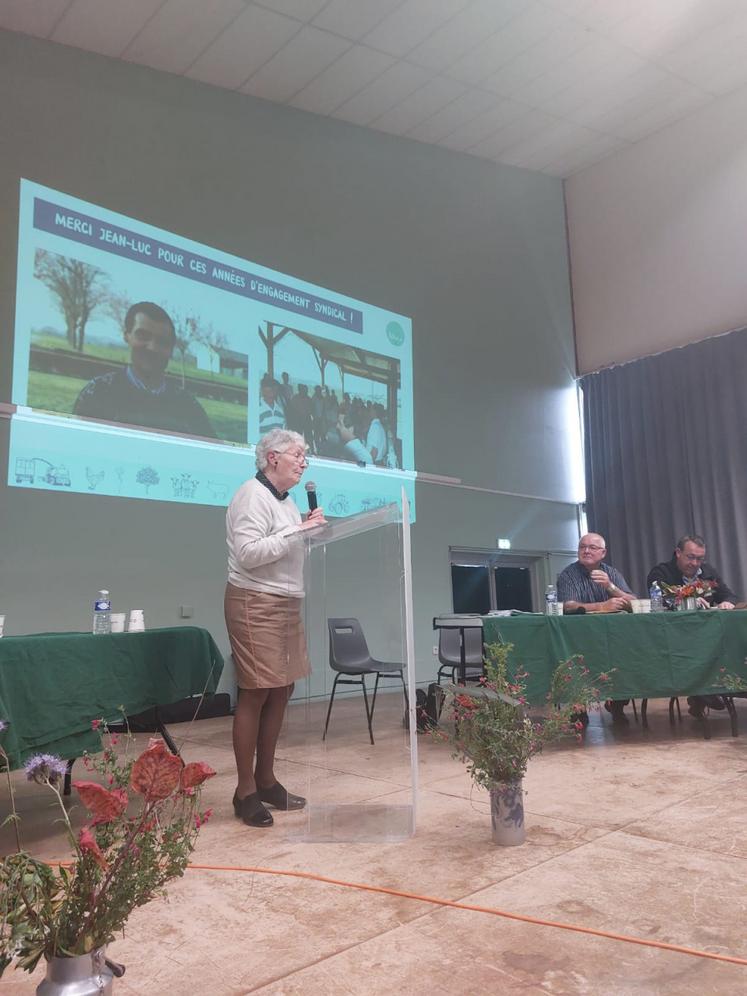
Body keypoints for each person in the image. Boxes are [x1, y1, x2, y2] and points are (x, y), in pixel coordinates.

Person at [224, 428, 326, 827]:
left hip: (285, 601)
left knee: (283, 687)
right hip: (254, 600)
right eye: (298, 455)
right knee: (256, 690)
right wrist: (298, 531)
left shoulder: (286, 502)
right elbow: (249, 554)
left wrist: (304, 527)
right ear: (273, 458)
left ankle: (266, 779)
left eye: (305, 456)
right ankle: (245, 790)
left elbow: (282, 541)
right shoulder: (251, 494)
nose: (303, 462)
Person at [73, 302, 216, 438]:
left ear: (171, 349)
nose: (152, 348)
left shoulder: (187, 406)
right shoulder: (98, 393)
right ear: (127, 336)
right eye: (143, 336)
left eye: (162, 341)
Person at [647, 534, 740, 718]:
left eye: (699, 558)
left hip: (707, 637)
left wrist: (727, 603)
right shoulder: (660, 572)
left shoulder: (708, 572)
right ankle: (704, 691)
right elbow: (659, 599)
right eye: (691, 557)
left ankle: (709, 691)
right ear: (678, 553)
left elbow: (730, 595)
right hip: (674, 638)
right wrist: (688, 600)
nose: (695, 563)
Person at [557, 532, 636, 724]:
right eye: (582, 547)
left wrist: (610, 586)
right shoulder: (568, 574)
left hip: (612, 637)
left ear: (603, 552)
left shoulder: (612, 573)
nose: (586, 551)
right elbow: (569, 606)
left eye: (592, 547)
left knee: (625, 661)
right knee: (576, 665)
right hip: (579, 637)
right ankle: (579, 709)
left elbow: (635, 602)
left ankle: (616, 705)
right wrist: (601, 606)